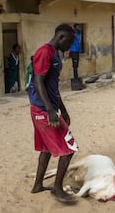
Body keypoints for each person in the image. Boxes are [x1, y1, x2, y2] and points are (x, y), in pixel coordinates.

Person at [28, 23, 79, 203]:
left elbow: (52, 87)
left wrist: (63, 110)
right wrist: (50, 111)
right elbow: (38, 82)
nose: (70, 46)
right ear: (61, 37)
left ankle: (38, 185)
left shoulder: (54, 54)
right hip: (42, 110)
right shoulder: (45, 52)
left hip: (45, 108)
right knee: (69, 148)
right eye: (70, 42)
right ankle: (57, 188)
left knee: (46, 149)